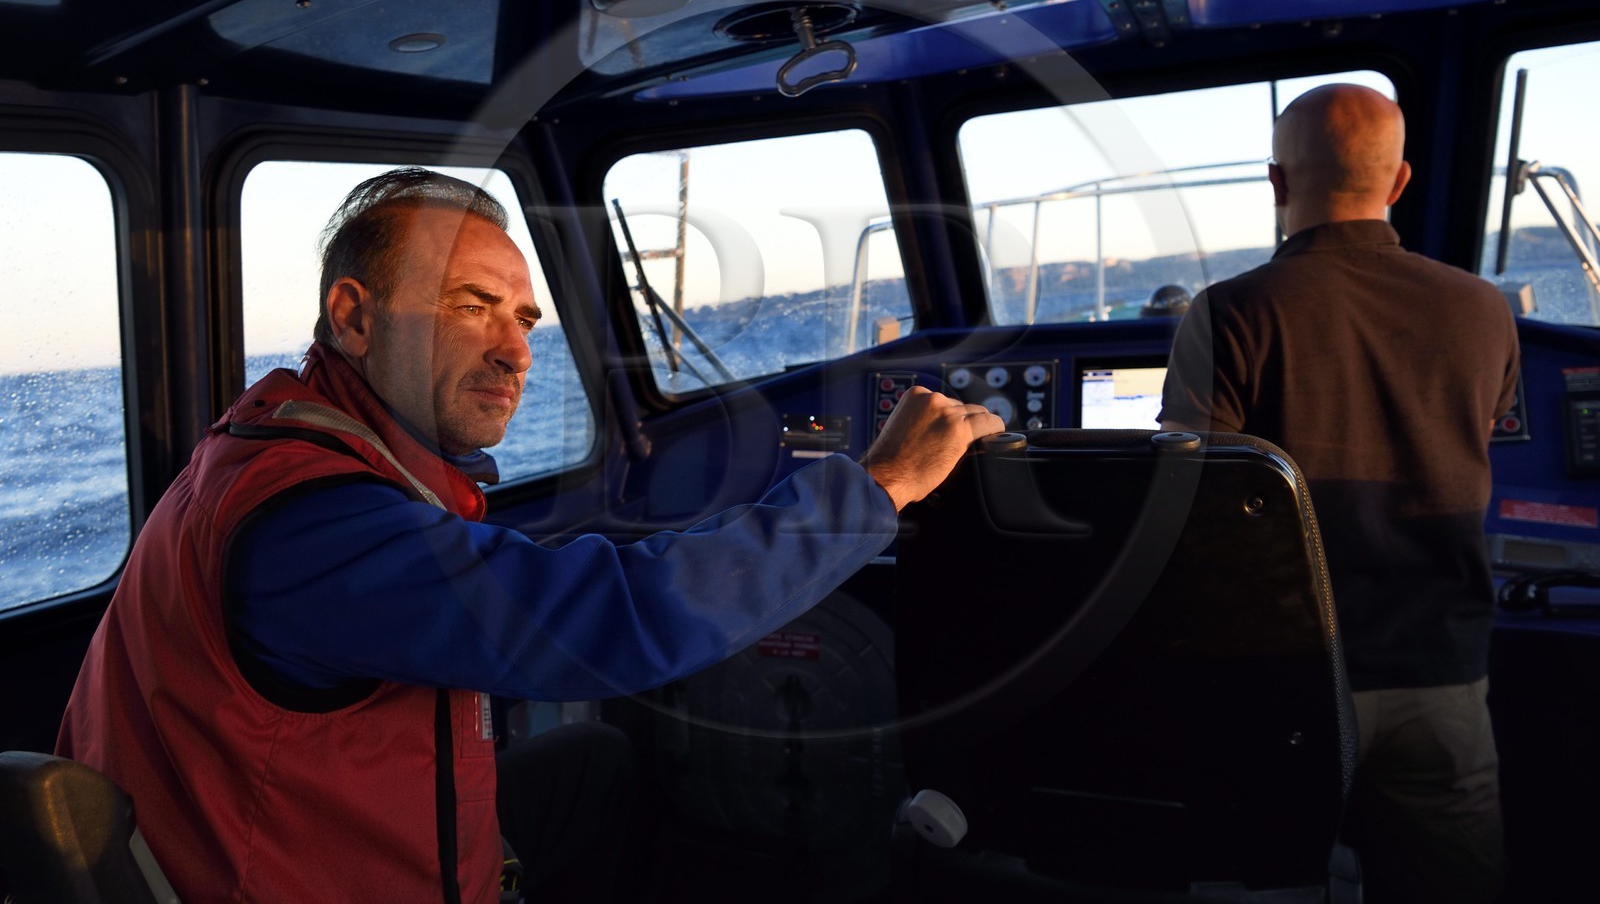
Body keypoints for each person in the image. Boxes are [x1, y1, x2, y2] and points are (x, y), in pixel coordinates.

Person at [57, 168, 1004, 903]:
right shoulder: (310, 523)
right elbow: (613, 621)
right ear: (354, 316)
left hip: (277, 838)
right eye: (471, 305)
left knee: (596, 767)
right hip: (279, 876)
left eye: (524, 320)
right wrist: (875, 488)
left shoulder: (272, 447)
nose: (515, 350)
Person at [1158, 85, 1520, 904]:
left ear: (1278, 183)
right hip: (1441, 672)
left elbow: (1188, 502)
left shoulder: (1231, 313)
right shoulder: (1483, 308)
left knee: (1268, 877)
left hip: (1285, 679)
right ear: (1399, 182)